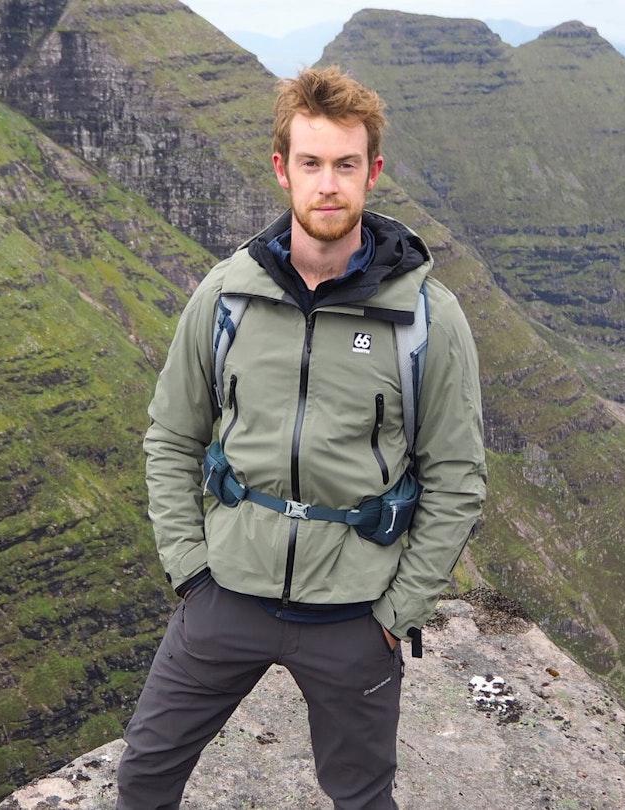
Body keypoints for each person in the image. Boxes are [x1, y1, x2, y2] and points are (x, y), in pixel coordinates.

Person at [116, 65, 487, 810]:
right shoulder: (226, 295)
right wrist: (190, 569)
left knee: (360, 798)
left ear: (372, 173)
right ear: (282, 169)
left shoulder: (427, 318)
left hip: (354, 615)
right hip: (226, 595)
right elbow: (171, 436)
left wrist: (396, 614)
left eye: (346, 165)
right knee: (145, 776)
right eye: (311, 164)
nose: (328, 184)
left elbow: (457, 478)